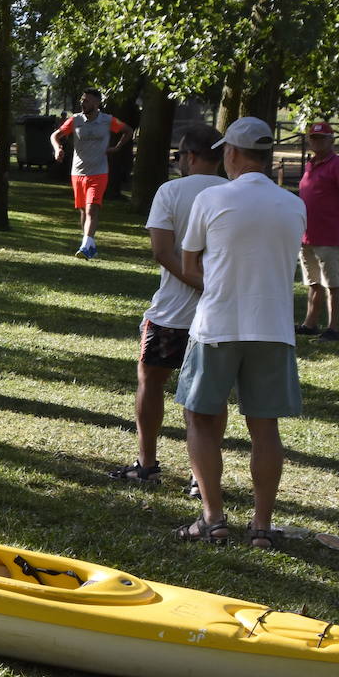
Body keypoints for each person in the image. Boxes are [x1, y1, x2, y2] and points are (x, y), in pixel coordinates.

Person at [174, 116, 305, 548]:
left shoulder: (212, 199)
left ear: (230, 152)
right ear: (267, 156)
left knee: (199, 416)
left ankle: (213, 518)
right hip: (274, 329)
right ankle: (262, 527)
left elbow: (191, 266)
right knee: (264, 427)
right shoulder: (293, 204)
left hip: (218, 324)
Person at [109, 126, 225, 484]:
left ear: (189, 156)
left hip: (172, 312)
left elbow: (162, 252)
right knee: (211, 395)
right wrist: (212, 287)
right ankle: (200, 479)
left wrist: (194, 282)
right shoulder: (233, 193)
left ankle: (146, 464)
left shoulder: (170, 191)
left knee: (150, 379)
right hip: (220, 311)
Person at [49, 88, 133, 259]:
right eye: (82, 99)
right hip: (77, 173)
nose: (83, 103)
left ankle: (86, 246)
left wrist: (117, 148)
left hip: (99, 172)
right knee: (82, 210)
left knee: (91, 210)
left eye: (87, 100)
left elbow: (128, 130)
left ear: (97, 103)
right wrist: (58, 148)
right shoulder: (75, 120)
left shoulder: (107, 120)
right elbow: (55, 135)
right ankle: (89, 244)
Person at [295, 121, 339, 341]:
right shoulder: (310, 164)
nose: (316, 141)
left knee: (332, 284)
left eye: (321, 138)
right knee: (313, 283)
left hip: (329, 234)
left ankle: (333, 328)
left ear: (331, 140)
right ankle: (309, 324)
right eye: (313, 138)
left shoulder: (338, 164)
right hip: (307, 234)